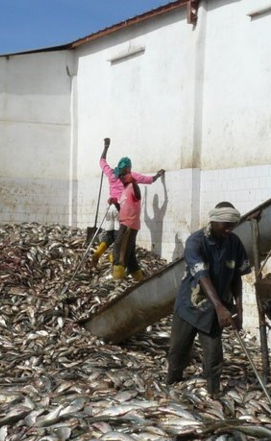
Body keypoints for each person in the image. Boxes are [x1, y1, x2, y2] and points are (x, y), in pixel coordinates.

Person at [166, 202, 251, 398]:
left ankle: (213, 393)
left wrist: (239, 310)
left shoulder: (234, 243)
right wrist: (221, 307)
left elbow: (237, 276)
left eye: (232, 225)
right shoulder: (195, 242)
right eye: (225, 225)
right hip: (190, 306)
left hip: (213, 312)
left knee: (214, 356)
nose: (229, 229)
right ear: (213, 221)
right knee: (178, 351)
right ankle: (172, 385)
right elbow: (202, 276)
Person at [91, 138, 164, 279]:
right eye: (121, 175)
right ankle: (131, 274)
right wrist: (157, 175)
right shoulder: (128, 183)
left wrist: (106, 147)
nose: (122, 177)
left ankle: (112, 264)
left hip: (119, 214)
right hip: (118, 208)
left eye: (123, 175)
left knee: (118, 244)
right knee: (125, 251)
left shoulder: (127, 182)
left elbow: (102, 161)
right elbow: (148, 180)